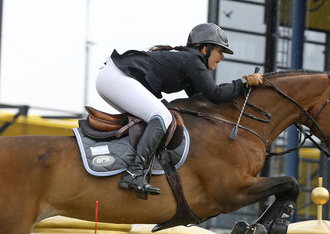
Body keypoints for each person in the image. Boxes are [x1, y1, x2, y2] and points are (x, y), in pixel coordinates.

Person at [95, 22, 264, 198]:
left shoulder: (189, 60)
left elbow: (204, 101)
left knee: (156, 119)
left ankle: (125, 165)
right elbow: (216, 94)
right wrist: (243, 82)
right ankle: (134, 173)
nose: (222, 57)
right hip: (116, 77)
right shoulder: (193, 61)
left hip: (112, 77)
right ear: (205, 49)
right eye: (220, 51)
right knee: (162, 116)